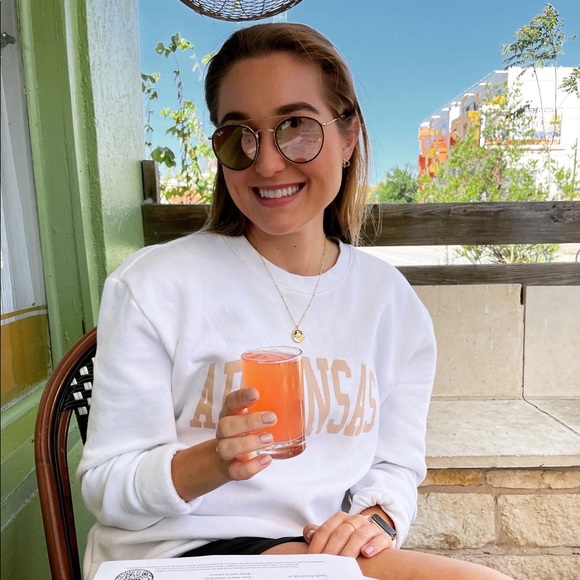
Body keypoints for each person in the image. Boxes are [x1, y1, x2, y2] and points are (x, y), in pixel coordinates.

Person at [78, 22, 511, 580]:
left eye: (296, 127)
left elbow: (395, 465)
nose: (266, 163)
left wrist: (376, 519)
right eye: (240, 135)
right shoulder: (154, 286)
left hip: (315, 556)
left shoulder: (390, 304)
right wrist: (212, 462)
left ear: (349, 136)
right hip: (178, 555)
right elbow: (105, 486)